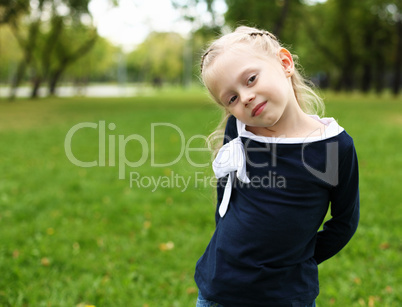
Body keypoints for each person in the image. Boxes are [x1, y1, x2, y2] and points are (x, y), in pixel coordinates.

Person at [194, 26, 360, 307]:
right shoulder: (240, 131)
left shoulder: (333, 146)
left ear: (284, 63)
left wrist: (298, 258)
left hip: (287, 295)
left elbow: (344, 222)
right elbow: (226, 197)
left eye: (251, 79)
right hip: (220, 291)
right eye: (231, 98)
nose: (245, 97)